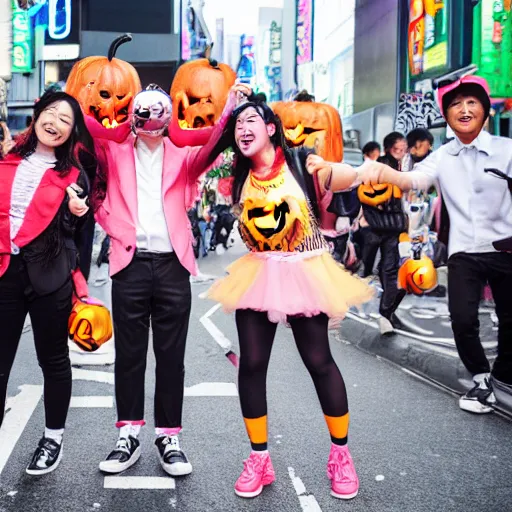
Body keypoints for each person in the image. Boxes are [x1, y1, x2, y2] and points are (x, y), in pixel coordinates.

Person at [204, 99, 373, 500]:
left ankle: (341, 455)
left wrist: (333, 172)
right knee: (252, 365)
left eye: (250, 120)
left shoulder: (301, 161)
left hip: (304, 270)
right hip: (259, 273)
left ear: (271, 128)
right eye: (237, 124)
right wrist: (227, 105)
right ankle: (259, 458)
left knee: (318, 361)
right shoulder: (237, 177)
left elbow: (343, 184)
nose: (242, 128)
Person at [87, 82, 251, 476]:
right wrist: (110, 224)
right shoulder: (113, 152)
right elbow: (87, 134)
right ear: (134, 117)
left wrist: (231, 103)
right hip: (130, 264)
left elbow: (213, 144)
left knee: (171, 357)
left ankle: (168, 436)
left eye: (158, 118)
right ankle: (127, 433)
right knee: (128, 356)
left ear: (168, 120)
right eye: (144, 117)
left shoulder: (185, 156)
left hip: (173, 265)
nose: (151, 126)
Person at [357, 75, 512, 414]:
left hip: (505, 250)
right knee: (462, 318)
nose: (465, 110)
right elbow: (413, 179)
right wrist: (384, 174)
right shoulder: (442, 156)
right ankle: (481, 377)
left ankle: (502, 377)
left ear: (485, 111)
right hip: (463, 252)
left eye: (472, 103)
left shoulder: (506, 150)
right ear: (448, 113)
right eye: (456, 104)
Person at [0, 90, 93, 474]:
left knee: (53, 360)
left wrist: (76, 213)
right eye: (50, 113)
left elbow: (77, 234)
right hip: (6, 272)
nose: (54, 122)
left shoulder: (74, 175)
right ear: (37, 116)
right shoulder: (6, 162)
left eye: (65, 120)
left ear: (71, 133)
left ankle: (52, 438)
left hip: (50, 274)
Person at [359, 132, 408, 334]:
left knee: (390, 270)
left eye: (404, 149)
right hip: (381, 226)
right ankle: (386, 313)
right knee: (388, 270)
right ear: (388, 148)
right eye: (398, 148)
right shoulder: (380, 168)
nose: (402, 152)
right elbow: (369, 194)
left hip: (389, 227)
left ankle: (387, 314)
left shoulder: (401, 167)